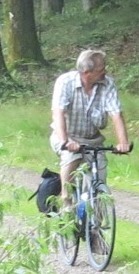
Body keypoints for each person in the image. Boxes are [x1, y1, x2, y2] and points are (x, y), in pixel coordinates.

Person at [49, 48, 132, 205]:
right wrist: (65, 141)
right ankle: (66, 202)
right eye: (101, 70)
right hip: (67, 137)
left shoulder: (108, 83)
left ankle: (96, 226)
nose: (105, 72)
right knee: (72, 158)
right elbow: (58, 113)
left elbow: (116, 114)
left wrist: (123, 143)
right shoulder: (65, 82)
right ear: (87, 72)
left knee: (99, 178)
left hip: (93, 140)